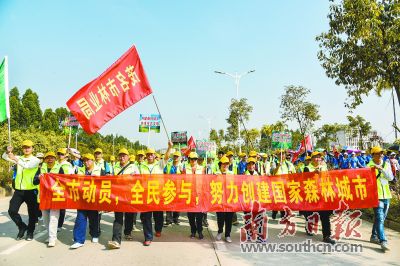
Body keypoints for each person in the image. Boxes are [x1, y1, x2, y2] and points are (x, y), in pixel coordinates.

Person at [2, 140, 40, 241]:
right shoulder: (19, 158)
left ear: (32, 149)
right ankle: (22, 226)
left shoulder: (35, 160)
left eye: (28, 147)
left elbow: (28, 166)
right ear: (22, 148)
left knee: (32, 213)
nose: (26, 149)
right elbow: (4, 157)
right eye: (24, 147)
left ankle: (30, 232)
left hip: (31, 190)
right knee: (12, 211)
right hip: (19, 191)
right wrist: (7, 152)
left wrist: (15, 159)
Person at [137, 142, 172, 246]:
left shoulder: (160, 164)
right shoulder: (141, 166)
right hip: (146, 194)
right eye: (148, 154)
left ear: (154, 155)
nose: (150, 156)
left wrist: (170, 147)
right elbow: (137, 178)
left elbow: (166, 157)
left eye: (151, 154)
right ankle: (148, 237)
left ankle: (158, 229)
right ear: (146, 156)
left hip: (158, 193)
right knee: (146, 216)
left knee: (158, 215)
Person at [108, 148, 140, 249]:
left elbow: (139, 179)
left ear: (127, 157)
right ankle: (116, 240)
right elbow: (112, 179)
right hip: (118, 195)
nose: (122, 157)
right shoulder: (115, 166)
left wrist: (133, 177)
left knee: (129, 215)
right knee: (118, 218)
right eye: (120, 155)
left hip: (129, 195)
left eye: (124, 155)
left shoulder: (133, 167)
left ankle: (127, 231)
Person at [303, 151, 336, 244]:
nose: (318, 159)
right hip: (312, 194)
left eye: (319, 157)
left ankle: (326, 235)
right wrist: (313, 173)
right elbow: (304, 180)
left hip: (323, 194)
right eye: (315, 157)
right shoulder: (307, 168)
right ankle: (308, 227)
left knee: (325, 215)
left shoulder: (324, 167)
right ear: (312, 159)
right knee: (310, 214)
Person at [70, 153, 102, 249]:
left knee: (94, 218)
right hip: (82, 199)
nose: (86, 162)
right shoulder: (79, 170)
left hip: (94, 198)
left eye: (88, 160)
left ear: (93, 161)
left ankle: (94, 234)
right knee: (80, 218)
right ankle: (78, 240)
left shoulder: (100, 170)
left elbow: (106, 182)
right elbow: (71, 178)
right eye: (85, 160)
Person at [368, 146, 394, 251]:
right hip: (376, 196)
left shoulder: (386, 164)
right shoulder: (368, 166)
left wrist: (382, 170)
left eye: (381, 153)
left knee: (381, 219)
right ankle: (383, 240)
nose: (380, 155)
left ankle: (373, 236)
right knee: (379, 217)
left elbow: (390, 178)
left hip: (387, 195)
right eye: (377, 153)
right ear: (373, 155)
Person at [38, 151, 64, 247]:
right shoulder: (41, 168)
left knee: (53, 218)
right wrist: (39, 177)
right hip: (44, 196)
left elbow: (64, 182)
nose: (50, 159)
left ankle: (52, 238)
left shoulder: (59, 168)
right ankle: (51, 236)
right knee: (45, 218)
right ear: (45, 159)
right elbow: (35, 181)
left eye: (52, 157)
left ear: (55, 159)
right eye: (48, 158)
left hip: (55, 196)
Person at [183, 152, 205, 239]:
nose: (193, 161)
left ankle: (200, 231)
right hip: (189, 194)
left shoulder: (202, 168)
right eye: (192, 159)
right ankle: (193, 231)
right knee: (190, 216)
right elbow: (183, 181)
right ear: (189, 159)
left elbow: (205, 181)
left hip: (199, 195)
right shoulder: (186, 169)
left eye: (195, 159)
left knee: (199, 216)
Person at [215, 156, 234, 243]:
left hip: (230, 199)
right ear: (220, 164)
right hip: (220, 199)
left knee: (229, 218)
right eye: (223, 163)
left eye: (226, 163)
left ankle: (227, 235)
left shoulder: (232, 173)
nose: (225, 165)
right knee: (220, 217)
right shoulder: (216, 173)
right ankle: (220, 231)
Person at [272, 150, 296, 220]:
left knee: (284, 201)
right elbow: (272, 173)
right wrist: (278, 166)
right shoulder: (274, 163)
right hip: (277, 185)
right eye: (279, 154)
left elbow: (294, 174)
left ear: (285, 155)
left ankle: (283, 214)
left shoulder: (289, 164)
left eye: (283, 154)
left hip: (286, 186)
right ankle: (275, 211)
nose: (281, 156)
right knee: (277, 201)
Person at [56, 148, 73, 232]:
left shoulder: (68, 165)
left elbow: (70, 176)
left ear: (65, 155)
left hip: (64, 187)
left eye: (62, 154)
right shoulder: (54, 164)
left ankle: (59, 224)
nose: (60, 156)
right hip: (54, 187)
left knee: (62, 207)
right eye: (58, 154)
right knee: (55, 206)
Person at [164, 151, 183, 226]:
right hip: (169, 186)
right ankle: (169, 220)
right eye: (175, 156)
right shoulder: (168, 165)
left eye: (177, 156)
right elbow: (164, 173)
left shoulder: (182, 166)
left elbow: (185, 176)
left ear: (180, 158)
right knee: (169, 203)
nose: (176, 158)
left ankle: (176, 218)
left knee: (177, 204)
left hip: (178, 187)